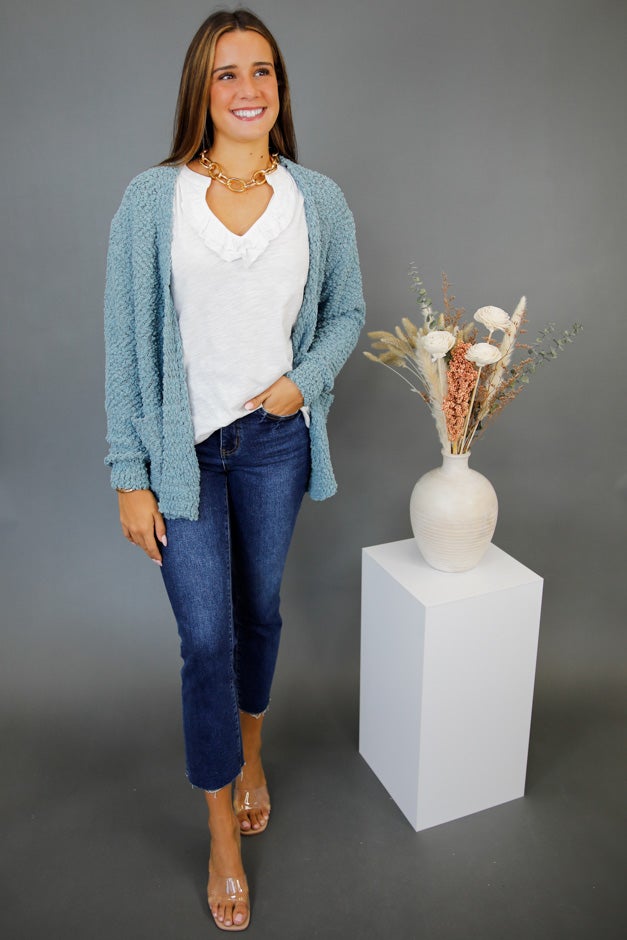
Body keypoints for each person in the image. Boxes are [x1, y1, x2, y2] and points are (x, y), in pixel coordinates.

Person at [104, 6, 365, 932]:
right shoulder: (151, 199)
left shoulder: (317, 199)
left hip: (273, 446)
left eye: (262, 72)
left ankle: (252, 753)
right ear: (200, 89)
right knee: (205, 639)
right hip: (182, 457)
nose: (247, 89)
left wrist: (304, 382)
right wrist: (127, 473)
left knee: (258, 613)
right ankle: (221, 833)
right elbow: (124, 344)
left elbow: (346, 312)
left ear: (279, 88)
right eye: (226, 73)